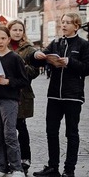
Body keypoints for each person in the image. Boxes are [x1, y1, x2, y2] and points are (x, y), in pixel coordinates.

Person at [32, 13, 89, 177]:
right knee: (51, 131)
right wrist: (38, 55)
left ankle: (69, 170)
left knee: (72, 133)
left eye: (68, 23)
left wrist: (70, 62)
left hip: (73, 95)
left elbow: (87, 68)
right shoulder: (56, 42)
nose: (63, 25)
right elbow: (38, 60)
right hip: (54, 95)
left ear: (76, 26)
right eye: (62, 22)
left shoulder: (84, 45)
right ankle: (53, 167)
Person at [0, 26, 28, 177]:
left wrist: (7, 81)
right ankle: (1, 167)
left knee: (9, 134)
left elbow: (24, 81)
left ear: (9, 40)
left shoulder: (15, 58)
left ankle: (17, 168)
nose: (0, 41)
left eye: (3, 38)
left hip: (10, 100)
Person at [7, 20, 40, 174]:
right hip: (4, 92)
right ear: (9, 31)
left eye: (20, 29)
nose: (17, 32)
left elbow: (34, 72)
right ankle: (7, 158)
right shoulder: (3, 46)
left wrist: (21, 64)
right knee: (6, 128)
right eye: (14, 29)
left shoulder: (29, 49)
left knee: (21, 126)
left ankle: (25, 158)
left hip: (21, 94)